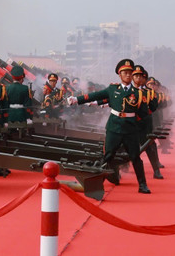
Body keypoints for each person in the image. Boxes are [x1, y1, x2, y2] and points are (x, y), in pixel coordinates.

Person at [67, 59, 152, 194]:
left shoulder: (139, 93)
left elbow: (143, 113)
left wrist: (134, 122)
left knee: (135, 157)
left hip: (130, 130)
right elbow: (95, 95)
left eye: (130, 72)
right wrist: (77, 100)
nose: (128, 75)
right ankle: (96, 184)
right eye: (125, 72)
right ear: (119, 74)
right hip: (114, 128)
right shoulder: (113, 89)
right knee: (108, 156)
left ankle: (142, 185)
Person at [133, 65, 163, 179]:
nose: (139, 79)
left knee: (149, 146)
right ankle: (122, 168)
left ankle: (156, 170)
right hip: (130, 123)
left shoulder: (149, 92)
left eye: (141, 77)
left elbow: (154, 107)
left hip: (144, 124)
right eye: (136, 76)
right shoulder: (128, 91)